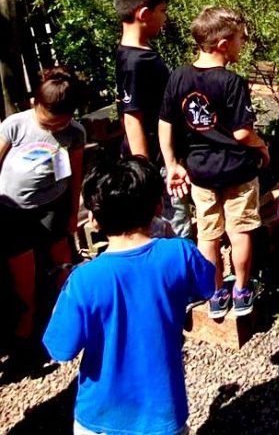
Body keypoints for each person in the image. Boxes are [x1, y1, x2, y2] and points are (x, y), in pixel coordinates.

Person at [43, 156, 215, 435]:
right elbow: (207, 285)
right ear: (158, 207)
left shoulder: (83, 281)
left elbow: (61, 348)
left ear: (94, 220)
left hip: (100, 417)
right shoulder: (179, 253)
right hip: (163, 412)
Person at [158, 6, 268, 319]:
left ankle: (217, 294)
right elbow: (243, 132)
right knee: (239, 230)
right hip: (237, 169)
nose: (243, 44)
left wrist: (172, 163)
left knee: (208, 233)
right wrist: (263, 147)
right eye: (240, 39)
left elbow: (165, 123)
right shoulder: (231, 82)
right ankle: (243, 289)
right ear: (222, 45)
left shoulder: (178, 76)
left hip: (199, 172)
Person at [0, 69, 86, 366]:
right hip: (13, 211)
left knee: (62, 263)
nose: (54, 126)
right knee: (25, 280)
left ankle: (69, 324)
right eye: (49, 119)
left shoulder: (74, 133)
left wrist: (73, 212)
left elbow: (74, 176)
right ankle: (25, 338)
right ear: (35, 103)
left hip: (53, 207)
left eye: (61, 121)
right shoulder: (16, 125)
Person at [113, 0, 191, 239]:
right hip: (155, 162)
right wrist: (144, 173)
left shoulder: (132, 53)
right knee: (173, 224)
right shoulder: (136, 63)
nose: (165, 18)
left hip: (161, 158)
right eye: (162, 11)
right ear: (144, 13)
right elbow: (132, 118)